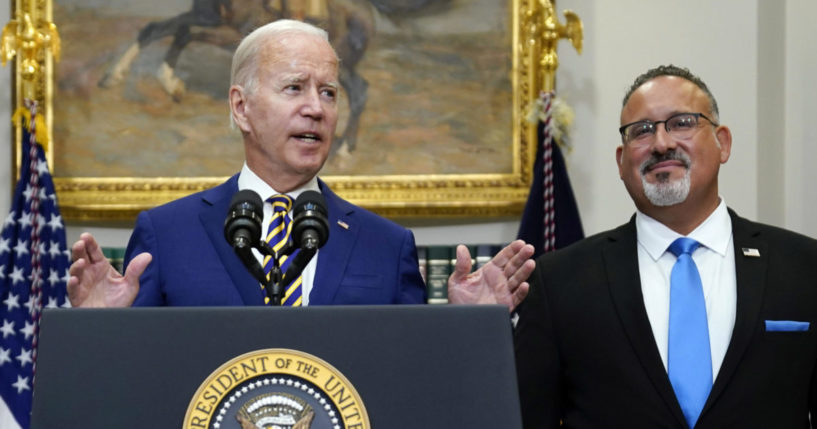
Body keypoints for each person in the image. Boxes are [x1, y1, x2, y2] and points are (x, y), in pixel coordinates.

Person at [67, 19, 535, 309]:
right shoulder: (167, 236)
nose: (317, 108)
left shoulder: (387, 247)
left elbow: (408, 385)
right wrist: (95, 330)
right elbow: (130, 387)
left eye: (328, 92)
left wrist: (473, 325)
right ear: (241, 107)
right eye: (294, 87)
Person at [514, 64, 817, 428]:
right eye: (641, 131)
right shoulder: (558, 281)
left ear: (723, 143)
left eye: (682, 123)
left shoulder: (805, 267)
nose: (661, 143)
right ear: (621, 162)